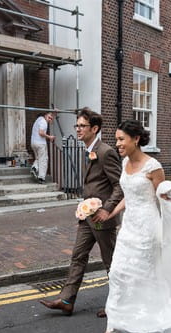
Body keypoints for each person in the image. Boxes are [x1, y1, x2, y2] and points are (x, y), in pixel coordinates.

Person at [94, 120, 171, 333]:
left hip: (147, 229)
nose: (117, 144)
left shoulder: (153, 166)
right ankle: (112, 328)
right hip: (128, 228)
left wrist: (166, 193)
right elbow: (129, 195)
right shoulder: (125, 163)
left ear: (135, 139)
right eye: (116, 139)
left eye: (121, 139)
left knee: (143, 277)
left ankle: (146, 320)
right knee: (117, 274)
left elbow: (160, 197)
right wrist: (110, 212)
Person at [39, 107, 124, 317]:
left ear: (94, 128)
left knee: (111, 261)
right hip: (87, 217)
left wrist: (106, 210)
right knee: (78, 256)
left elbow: (120, 186)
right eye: (76, 125)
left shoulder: (106, 152)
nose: (78, 129)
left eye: (82, 126)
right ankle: (67, 300)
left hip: (102, 218)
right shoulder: (88, 150)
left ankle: (119, 304)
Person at [30, 111, 56, 184]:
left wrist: (54, 113)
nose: (50, 119)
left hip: (33, 143)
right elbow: (41, 133)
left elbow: (50, 115)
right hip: (40, 143)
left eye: (51, 118)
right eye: (49, 117)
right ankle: (41, 178)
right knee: (44, 160)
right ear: (45, 114)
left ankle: (34, 168)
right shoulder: (44, 122)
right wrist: (50, 137)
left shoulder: (38, 119)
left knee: (38, 158)